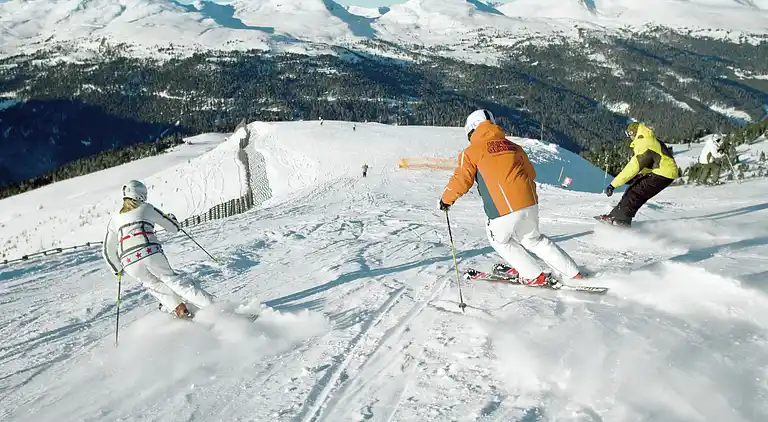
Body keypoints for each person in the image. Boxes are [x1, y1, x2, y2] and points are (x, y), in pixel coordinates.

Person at [439, 109, 582, 286]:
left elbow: (462, 180)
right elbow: (531, 172)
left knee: (499, 240)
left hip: (502, 209)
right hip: (530, 203)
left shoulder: (471, 152)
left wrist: (446, 200)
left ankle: (532, 275)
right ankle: (572, 273)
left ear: (471, 131)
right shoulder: (514, 147)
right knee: (534, 239)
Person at [102, 180, 215, 318]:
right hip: (149, 251)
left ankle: (181, 311)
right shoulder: (146, 208)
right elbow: (172, 227)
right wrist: (173, 219)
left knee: (154, 285)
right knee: (171, 280)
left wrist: (117, 269)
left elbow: (107, 249)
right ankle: (213, 308)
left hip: (128, 262)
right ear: (141, 194)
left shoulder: (114, 219)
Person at [597, 121, 679, 227]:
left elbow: (633, 167)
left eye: (628, 134)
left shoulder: (644, 144)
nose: (628, 137)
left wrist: (613, 184)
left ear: (633, 133)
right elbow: (654, 161)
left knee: (636, 193)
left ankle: (622, 220)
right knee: (633, 189)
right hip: (661, 172)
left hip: (663, 173)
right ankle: (615, 216)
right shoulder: (647, 140)